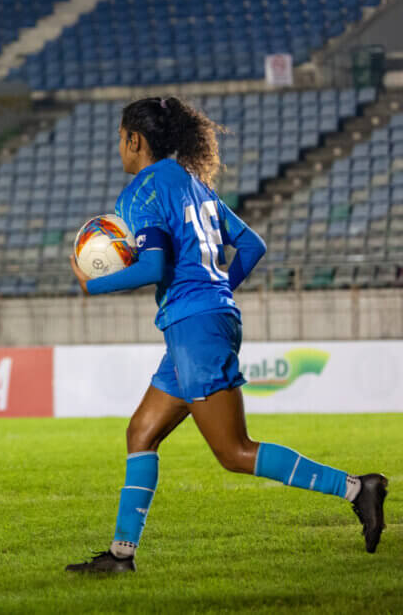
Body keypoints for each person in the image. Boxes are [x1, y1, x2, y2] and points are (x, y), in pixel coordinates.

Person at [65, 96, 388, 573]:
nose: (119, 146)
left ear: (135, 139)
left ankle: (358, 488)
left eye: (120, 137)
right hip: (201, 323)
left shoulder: (141, 191)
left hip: (195, 327)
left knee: (234, 452)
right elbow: (252, 245)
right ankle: (120, 556)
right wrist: (217, 291)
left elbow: (153, 265)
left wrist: (94, 283)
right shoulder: (195, 186)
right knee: (141, 432)